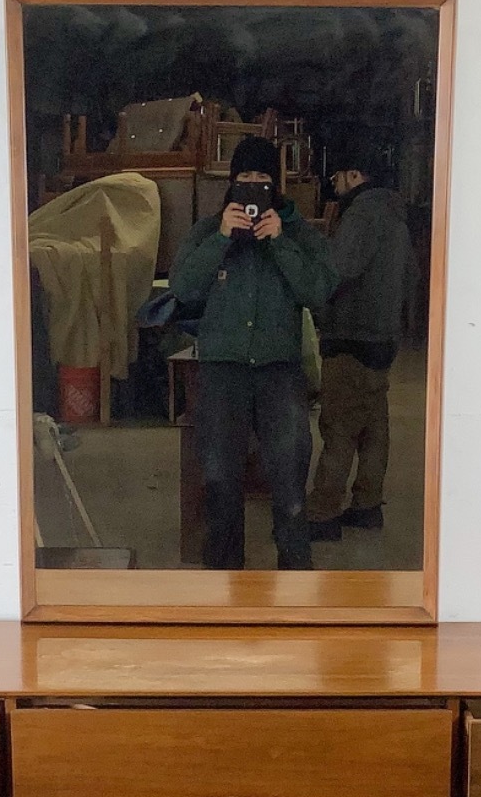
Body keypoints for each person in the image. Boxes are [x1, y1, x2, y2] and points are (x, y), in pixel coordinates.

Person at [169, 135, 338, 570]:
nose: (253, 188)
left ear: (276, 185)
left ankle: (295, 586)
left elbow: (319, 290)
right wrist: (222, 237)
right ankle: (223, 589)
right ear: (232, 183)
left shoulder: (298, 233)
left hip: (279, 371)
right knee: (220, 480)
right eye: (244, 178)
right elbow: (183, 288)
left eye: (263, 179)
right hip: (222, 372)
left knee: (289, 482)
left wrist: (280, 241)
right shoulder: (210, 230)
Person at [306, 144, 414, 540]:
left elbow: (340, 268)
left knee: (338, 427)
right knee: (373, 427)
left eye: (336, 176)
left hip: (351, 336)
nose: (333, 184)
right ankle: (367, 506)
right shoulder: (394, 213)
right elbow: (410, 278)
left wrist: (315, 268)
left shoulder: (362, 214)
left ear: (354, 175)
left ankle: (321, 514)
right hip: (381, 337)